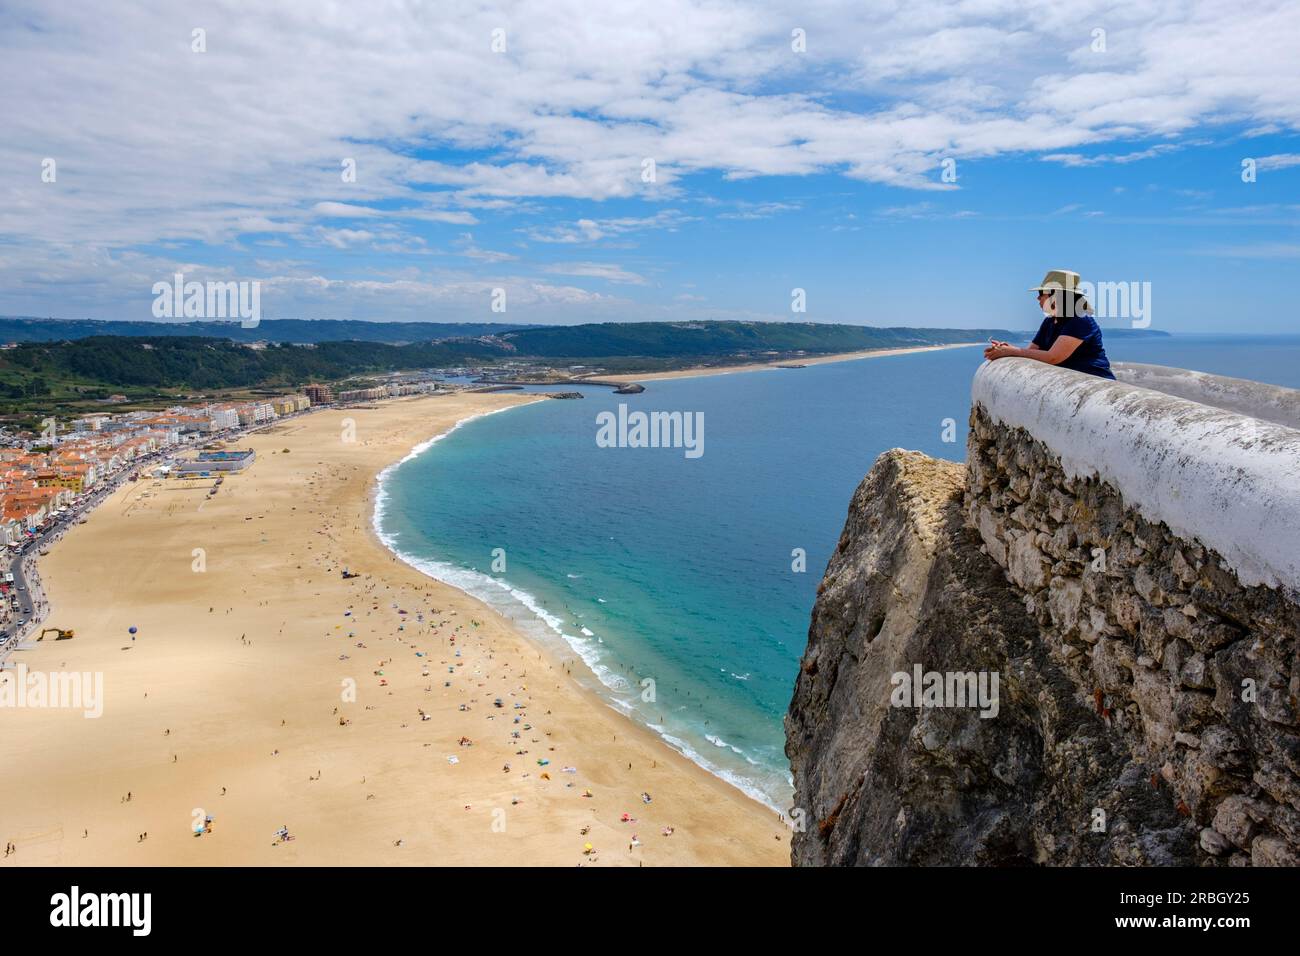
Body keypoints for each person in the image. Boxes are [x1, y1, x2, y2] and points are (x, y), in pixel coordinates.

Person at [984, 269, 1115, 379]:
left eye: (1041, 293)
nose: (1038, 298)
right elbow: (1031, 352)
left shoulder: (1080, 320)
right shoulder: (1049, 321)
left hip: (1095, 385)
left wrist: (1011, 351)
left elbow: (1053, 357)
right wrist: (1008, 349)